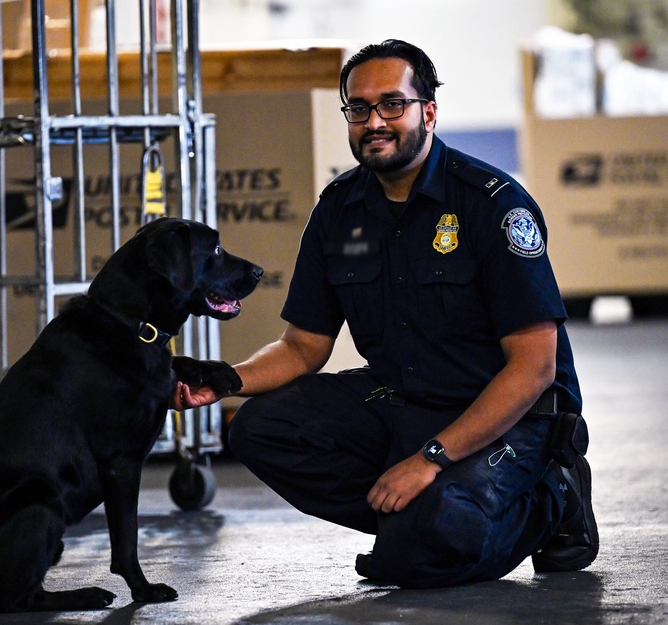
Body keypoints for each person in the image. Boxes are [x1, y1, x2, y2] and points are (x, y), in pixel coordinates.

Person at [173, 39, 598, 588]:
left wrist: (431, 459)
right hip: (406, 400)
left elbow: (534, 369)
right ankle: (417, 524)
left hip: (510, 418)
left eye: (392, 104)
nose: (374, 121)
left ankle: (551, 499)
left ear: (429, 111)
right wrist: (226, 381)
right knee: (259, 428)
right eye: (359, 108)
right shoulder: (340, 211)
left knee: (433, 544)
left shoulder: (491, 204)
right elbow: (303, 347)